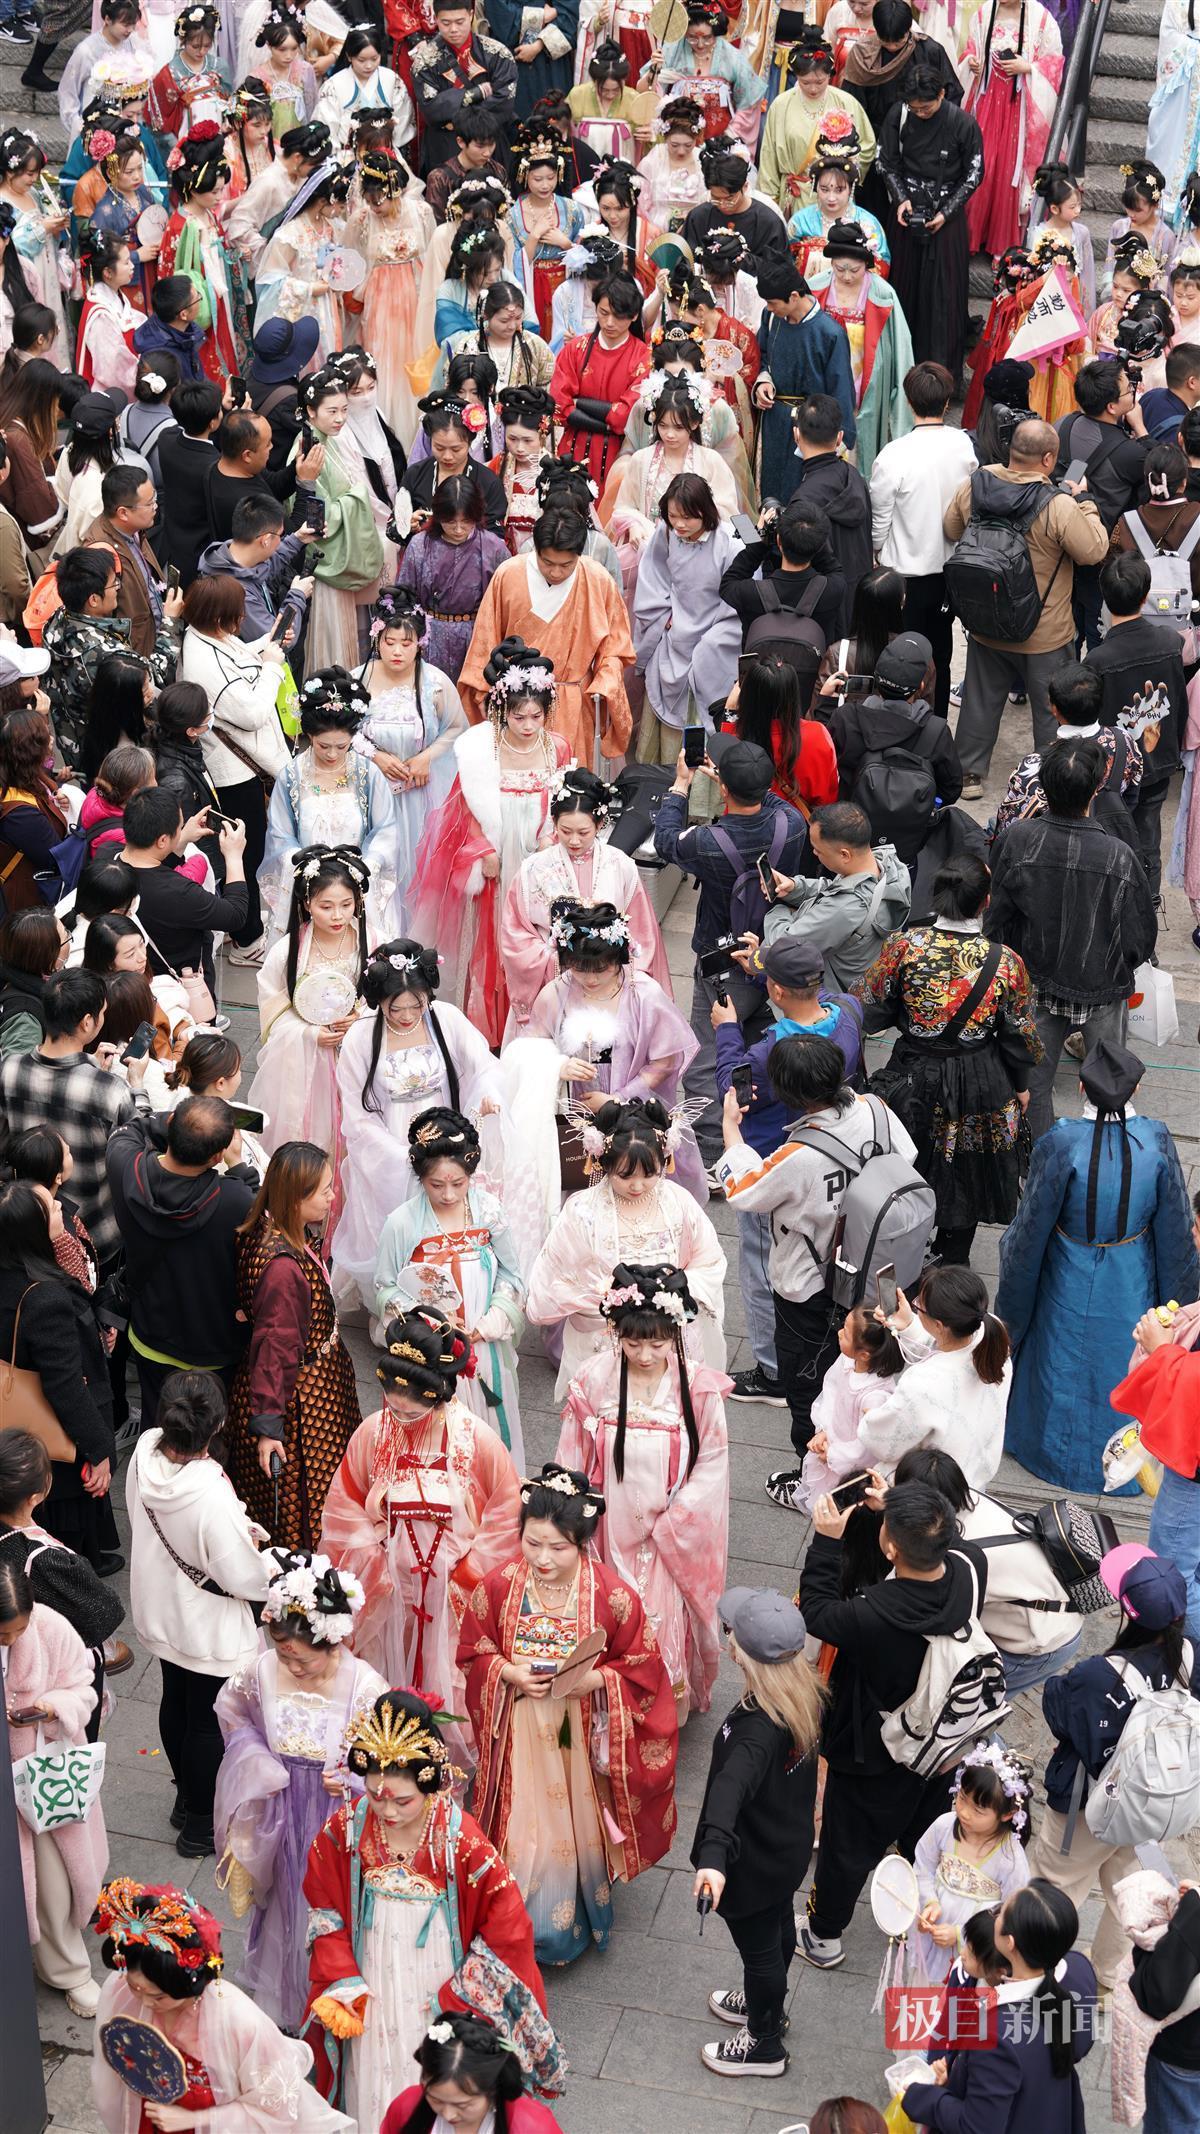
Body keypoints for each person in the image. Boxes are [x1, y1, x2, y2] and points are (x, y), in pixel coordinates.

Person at [457, 1461, 678, 1962]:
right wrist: (508, 1674)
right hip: (516, 1725)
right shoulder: (497, 1587)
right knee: (521, 1818)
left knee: (570, 1821)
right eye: (531, 1543)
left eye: (557, 1547)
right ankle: (508, 1914)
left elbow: (643, 1664)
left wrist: (595, 1680)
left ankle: (560, 1922)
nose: (542, 1557)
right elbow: (474, 1649)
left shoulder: (612, 1595)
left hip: (575, 1731)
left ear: (582, 1543)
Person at [303, 1683, 556, 2122]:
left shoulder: (461, 1840)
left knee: (441, 2072)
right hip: (372, 1973)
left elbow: (507, 1922)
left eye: (402, 1800)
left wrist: (460, 1995)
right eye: (376, 1796)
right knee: (373, 2070)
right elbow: (324, 1905)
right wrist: (341, 1975)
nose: (388, 1812)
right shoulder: (346, 1828)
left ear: (431, 1784)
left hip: (441, 1978)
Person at [796, 1478, 988, 1971]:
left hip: (873, 1750)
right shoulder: (965, 1573)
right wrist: (897, 1512)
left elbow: (818, 1612)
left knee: (847, 1847)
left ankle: (823, 1936)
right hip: (940, 1745)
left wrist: (826, 1539)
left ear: (891, 1547)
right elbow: (945, 1545)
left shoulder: (875, 1614)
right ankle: (922, 1912)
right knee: (922, 1833)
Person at [319, 1304, 519, 1762]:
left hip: (453, 1589)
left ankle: (443, 1773)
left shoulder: (476, 1440)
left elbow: (505, 1515)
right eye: (391, 1398)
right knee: (384, 1675)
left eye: (416, 1405)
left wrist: (468, 1574)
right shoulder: (373, 1433)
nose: (401, 1411)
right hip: (390, 1584)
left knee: (449, 1678)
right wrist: (374, 1562)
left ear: (442, 1393)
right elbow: (344, 1505)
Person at [997, 1040, 1198, 1491]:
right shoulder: (1156, 1139)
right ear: (1137, 1088)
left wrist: (1013, 1298)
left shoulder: (1062, 1140)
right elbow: (1174, 1228)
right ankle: (1128, 1450)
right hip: (1130, 1266)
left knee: (1059, 1350)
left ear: (1083, 1088)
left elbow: (1031, 1227)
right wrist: (1183, 1298)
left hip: (1068, 1262)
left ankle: (1048, 1447)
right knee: (1122, 1352)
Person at [717, 1034, 919, 1460]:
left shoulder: (800, 1154)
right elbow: (909, 1156)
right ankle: (866, 1453)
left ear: (786, 1093)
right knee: (873, 1368)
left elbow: (744, 1191)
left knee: (808, 1381)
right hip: (878, 1268)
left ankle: (813, 1467)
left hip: (809, 1285)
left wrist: (731, 1130)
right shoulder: (877, 1111)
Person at [212, 1550, 386, 2034]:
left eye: (302, 1658)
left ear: (332, 1644)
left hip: (334, 1814)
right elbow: (232, 1712)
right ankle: (290, 2002)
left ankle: (332, 1996)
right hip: (281, 1806)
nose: (291, 1665)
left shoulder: (365, 1687)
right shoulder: (262, 1670)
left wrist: (353, 1777)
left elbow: (387, 1757)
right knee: (284, 1905)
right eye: (283, 1653)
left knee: (328, 1907)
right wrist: (259, 1762)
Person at [556, 1262, 728, 1718]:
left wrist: (677, 1523)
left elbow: (712, 1462)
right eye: (633, 1343)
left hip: (669, 1531)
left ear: (676, 1334)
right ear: (615, 1331)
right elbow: (573, 1457)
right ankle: (611, 1710)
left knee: (660, 1620)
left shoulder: (697, 1389)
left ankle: (656, 1716)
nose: (646, 1354)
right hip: (608, 1526)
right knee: (611, 1616)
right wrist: (575, 1522)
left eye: (657, 1342)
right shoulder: (594, 1379)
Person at [1023, 1548, 1197, 1990]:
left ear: (1129, 1614)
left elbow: (1059, 1708)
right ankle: (1106, 1979)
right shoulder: (1189, 1656)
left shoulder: (1103, 1675)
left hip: (1088, 1807)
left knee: (1055, 1885)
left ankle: (1031, 1966)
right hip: (1148, 1805)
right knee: (1128, 1894)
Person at [856, 853, 1040, 1266]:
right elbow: (1020, 1036)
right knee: (967, 1168)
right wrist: (1022, 1085)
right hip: (980, 1078)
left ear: (937, 897)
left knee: (907, 1155)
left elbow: (870, 1008)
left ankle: (904, 1248)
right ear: (985, 902)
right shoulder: (1006, 963)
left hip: (912, 1071)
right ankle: (953, 1256)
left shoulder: (903, 946)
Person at [126, 1369, 272, 1855]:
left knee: (176, 1701)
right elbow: (243, 1577)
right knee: (207, 1721)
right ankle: (198, 1826)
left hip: (159, 1605)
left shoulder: (145, 1451)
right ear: (218, 1424)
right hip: (205, 1623)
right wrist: (265, 1562)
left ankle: (184, 1801)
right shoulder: (210, 1493)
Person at [986, 743, 1158, 1141]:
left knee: (1033, 1086)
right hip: (1103, 988)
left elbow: (998, 922)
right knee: (1110, 1086)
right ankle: (1105, 1160)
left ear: (1044, 788)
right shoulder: (1120, 855)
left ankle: (1041, 1162)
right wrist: (1115, 966)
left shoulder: (1018, 840)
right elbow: (1140, 937)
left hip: (1037, 985)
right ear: (1097, 789)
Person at [652, 739, 809, 1167]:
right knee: (763, 1047)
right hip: (771, 957)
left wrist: (682, 784)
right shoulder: (791, 824)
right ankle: (761, 1136)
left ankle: (711, 1152)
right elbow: (770, 799)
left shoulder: (705, 842)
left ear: (724, 791)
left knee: (709, 1054)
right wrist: (739, 780)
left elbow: (664, 840)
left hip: (722, 963)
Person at [91, 1877, 353, 2133]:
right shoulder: (121, 1989)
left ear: (190, 1984)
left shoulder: (238, 2020)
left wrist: (195, 2121)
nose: (145, 2002)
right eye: (136, 1988)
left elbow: (276, 2109)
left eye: (158, 1996)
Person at [689, 1585, 822, 2077]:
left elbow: (728, 1789)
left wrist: (712, 1857)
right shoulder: (802, 1691)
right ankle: (765, 2003)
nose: (727, 1637)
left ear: (741, 1652)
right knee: (778, 1931)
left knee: (761, 1950)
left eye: (731, 1632)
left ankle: (764, 2041)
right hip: (784, 1850)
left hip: (752, 1865)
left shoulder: (756, 1728)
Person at [944, 418, 1110, 794]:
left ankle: (969, 774)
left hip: (986, 619)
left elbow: (952, 528)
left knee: (979, 701)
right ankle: (1052, 778)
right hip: (1044, 632)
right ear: (1049, 459)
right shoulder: (1059, 505)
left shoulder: (977, 484)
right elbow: (1093, 551)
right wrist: (1086, 504)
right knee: (1051, 710)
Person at [333, 939, 501, 1309]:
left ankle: (450, 1298)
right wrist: (401, 1155)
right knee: (395, 1227)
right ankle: (395, 1304)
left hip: (444, 1136)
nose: (408, 1015)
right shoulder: (362, 1037)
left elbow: (483, 1064)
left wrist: (488, 1094)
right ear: (379, 1001)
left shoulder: (447, 1019)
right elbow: (356, 1115)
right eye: (397, 1008)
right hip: (390, 1144)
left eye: (416, 1004)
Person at [526, 1095, 727, 1396]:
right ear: (603, 1163)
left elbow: (709, 1261)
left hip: (667, 1337)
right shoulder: (583, 1210)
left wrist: (679, 1286)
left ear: (664, 1162)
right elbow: (552, 1280)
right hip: (607, 1338)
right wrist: (605, 1296)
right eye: (625, 1175)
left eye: (649, 1174)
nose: (637, 1186)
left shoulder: (678, 1202)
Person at [225, 1141, 361, 1551]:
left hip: (298, 1381)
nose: (332, 1196)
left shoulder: (267, 1228)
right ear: (295, 1199)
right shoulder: (283, 1270)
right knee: (310, 1494)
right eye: (323, 1191)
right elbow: (277, 1347)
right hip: (302, 1399)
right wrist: (270, 1425)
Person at [372, 1105, 525, 1460]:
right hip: (431, 1348)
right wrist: (427, 1321)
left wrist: (490, 1324)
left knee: (492, 1429)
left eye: (458, 1183)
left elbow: (512, 1274)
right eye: (436, 1185)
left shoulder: (488, 1211)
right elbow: (385, 1287)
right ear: (420, 1179)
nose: (449, 1195)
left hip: (484, 1341)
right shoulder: (402, 1223)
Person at [107, 1093, 256, 1426]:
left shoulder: (124, 1165)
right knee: (207, 1428)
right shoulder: (233, 1199)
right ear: (217, 1155)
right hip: (211, 1345)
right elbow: (260, 1206)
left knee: (155, 1421)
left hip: (150, 1332)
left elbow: (136, 1127)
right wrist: (240, 1166)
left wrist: (180, 1122)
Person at [901, 1882, 1097, 2133]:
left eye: (1003, 1911)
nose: (997, 1912)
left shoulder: (997, 2034)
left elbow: (976, 2127)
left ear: (1010, 1943)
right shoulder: (1079, 1970)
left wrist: (923, 2097)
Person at [1, 1558, 107, 2018]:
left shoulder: (51, 1628)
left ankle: (66, 1969)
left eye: (14, 1632)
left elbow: (84, 1687)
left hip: (38, 1775)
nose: (9, 1640)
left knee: (52, 1881)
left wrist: (50, 1708)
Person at [893, 1445, 1085, 1695]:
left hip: (1042, 1643)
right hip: (1058, 1612)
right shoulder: (970, 1498)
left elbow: (934, 1610)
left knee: (970, 1705)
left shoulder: (958, 1550)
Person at [0, 968, 147, 1272]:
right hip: (94, 1234)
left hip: (29, 1225)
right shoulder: (110, 1090)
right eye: (102, 1013)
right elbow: (139, 1146)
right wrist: (137, 1085)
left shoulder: (8, 1068)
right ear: (87, 1022)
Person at [500, 764, 670, 1022]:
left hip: (609, 981)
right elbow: (515, 935)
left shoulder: (620, 865)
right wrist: (555, 957)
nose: (574, 841)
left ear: (601, 823)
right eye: (565, 831)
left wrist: (609, 965)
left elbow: (642, 935)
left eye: (584, 832)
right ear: (554, 822)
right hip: (554, 986)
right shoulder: (533, 869)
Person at [180, 574, 293, 960]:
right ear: (220, 616)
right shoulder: (203, 661)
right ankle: (247, 940)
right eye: (237, 613)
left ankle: (238, 927)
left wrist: (267, 648)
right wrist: (274, 668)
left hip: (237, 768)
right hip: (234, 774)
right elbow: (252, 711)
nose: (242, 620)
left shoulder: (203, 634)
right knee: (247, 853)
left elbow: (238, 654)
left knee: (246, 851)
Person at [828, 1265, 1010, 1490]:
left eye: (919, 1307)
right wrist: (910, 1323)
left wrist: (870, 1412)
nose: (915, 1307)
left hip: (927, 1492)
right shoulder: (990, 1335)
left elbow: (882, 1443)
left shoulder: (924, 1383)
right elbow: (947, 1349)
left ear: (940, 1325)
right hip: (970, 1478)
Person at [869, 361, 977, 721]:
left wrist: (876, 553)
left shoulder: (894, 455)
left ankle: (902, 724)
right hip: (950, 573)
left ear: (909, 403)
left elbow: (879, 519)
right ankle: (937, 723)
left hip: (905, 576)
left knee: (903, 657)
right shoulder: (962, 445)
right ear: (946, 403)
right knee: (940, 656)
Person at [248, 844, 370, 1160]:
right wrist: (309, 1033)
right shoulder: (287, 951)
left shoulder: (374, 941)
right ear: (307, 903)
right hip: (308, 1062)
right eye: (326, 906)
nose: (338, 915)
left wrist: (361, 1018)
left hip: (360, 1055)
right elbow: (272, 1010)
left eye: (346, 904)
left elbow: (391, 1002)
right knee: (311, 1133)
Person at [261, 667, 400, 939]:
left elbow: (386, 829)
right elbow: (280, 835)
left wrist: (367, 865)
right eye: (324, 746)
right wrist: (300, 863)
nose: (333, 754)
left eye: (343, 746)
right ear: (309, 736)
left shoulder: (367, 774)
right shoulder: (291, 776)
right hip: (308, 888)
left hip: (358, 887)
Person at [1087, 551, 1186, 902]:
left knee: (1111, 839)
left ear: (1104, 596)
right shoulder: (1170, 643)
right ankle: (1147, 911)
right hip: (1157, 763)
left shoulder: (1097, 660)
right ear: (1145, 596)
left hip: (1112, 774)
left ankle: (1113, 908)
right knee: (1148, 840)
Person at [876, 66, 984, 385]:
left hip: (945, 215)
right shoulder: (901, 114)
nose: (920, 113)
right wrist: (900, 199)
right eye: (915, 107)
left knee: (944, 298)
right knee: (902, 289)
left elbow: (974, 173)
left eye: (926, 106)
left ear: (941, 95)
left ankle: (941, 377)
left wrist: (947, 212)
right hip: (906, 210)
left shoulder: (962, 123)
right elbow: (885, 161)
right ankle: (898, 368)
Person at [44, 546, 179, 783]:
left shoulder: (57, 622)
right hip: (115, 762)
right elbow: (155, 676)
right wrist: (171, 621)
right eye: (113, 583)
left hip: (78, 744)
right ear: (93, 599)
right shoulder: (105, 654)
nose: (118, 585)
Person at [632, 475, 743, 761]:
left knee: (707, 661)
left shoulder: (731, 541)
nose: (679, 525)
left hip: (718, 628)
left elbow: (740, 600)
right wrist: (663, 613)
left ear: (705, 511)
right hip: (675, 626)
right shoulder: (665, 534)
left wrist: (711, 638)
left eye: (688, 518)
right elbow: (653, 578)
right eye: (672, 516)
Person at [828, 631, 962, 865]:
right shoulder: (935, 730)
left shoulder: (846, 718)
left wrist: (825, 703)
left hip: (849, 838)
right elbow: (951, 789)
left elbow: (825, 761)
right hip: (906, 846)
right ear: (921, 686)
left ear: (876, 680)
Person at [758, 800, 912, 990]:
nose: (814, 853)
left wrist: (780, 910)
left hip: (831, 993)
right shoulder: (888, 866)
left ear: (845, 855)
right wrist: (796, 886)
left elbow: (784, 946)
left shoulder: (845, 908)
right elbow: (837, 887)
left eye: (818, 849)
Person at [119, 784, 249, 1006]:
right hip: (179, 995)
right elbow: (235, 915)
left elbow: (150, 864)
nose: (181, 830)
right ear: (162, 840)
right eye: (179, 827)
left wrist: (181, 840)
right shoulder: (176, 892)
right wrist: (234, 857)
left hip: (133, 986)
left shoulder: (108, 862)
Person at [753, 265, 857, 503]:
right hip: (774, 421)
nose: (768, 308)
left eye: (772, 302)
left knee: (804, 497)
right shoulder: (771, 318)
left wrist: (840, 441)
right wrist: (763, 381)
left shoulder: (830, 333)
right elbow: (764, 356)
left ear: (793, 296)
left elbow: (841, 392)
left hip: (812, 426)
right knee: (769, 491)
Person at [397, 472, 510, 681]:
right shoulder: (420, 545)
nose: (458, 529)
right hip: (430, 635)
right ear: (438, 516)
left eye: (466, 521)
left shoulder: (494, 548)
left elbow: (507, 601)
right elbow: (404, 597)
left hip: (476, 635)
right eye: (450, 521)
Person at [381, 2012, 567, 2134]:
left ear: (493, 2089)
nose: (448, 2114)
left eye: (463, 2105)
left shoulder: (532, 2127)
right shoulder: (406, 2106)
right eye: (435, 2099)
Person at [551, 272, 652, 487]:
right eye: (603, 312)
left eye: (618, 316)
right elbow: (559, 404)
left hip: (618, 456)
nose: (609, 322)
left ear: (634, 316)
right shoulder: (575, 349)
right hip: (572, 451)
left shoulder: (644, 357)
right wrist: (606, 418)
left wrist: (578, 403)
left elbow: (625, 416)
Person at [796, 1305, 903, 1505]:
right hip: (832, 1444)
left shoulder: (875, 1395)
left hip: (851, 1466)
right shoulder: (848, 1360)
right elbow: (831, 1392)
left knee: (845, 1508)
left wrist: (833, 1455)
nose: (839, 1333)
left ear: (864, 1354)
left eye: (845, 1333)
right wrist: (824, 1430)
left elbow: (867, 1445)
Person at [85, 462, 186, 662]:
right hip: (139, 659)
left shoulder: (134, 529)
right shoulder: (101, 553)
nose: (156, 507)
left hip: (158, 639)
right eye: (149, 503)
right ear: (123, 512)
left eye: (155, 499)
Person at [718, 498, 848, 645]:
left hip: (761, 668)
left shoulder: (752, 593)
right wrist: (811, 537)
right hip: (816, 667)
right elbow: (831, 566)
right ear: (819, 546)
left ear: (779, 541)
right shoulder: (833, 589)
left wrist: (759, 542)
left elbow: (728, 584)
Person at [724, 653, 840, 817]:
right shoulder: (818, 735)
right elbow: (828, 797)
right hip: (799, 833)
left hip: (743, 831)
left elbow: (725, 781)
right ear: (793, 695)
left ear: (747, 697)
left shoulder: (734, 738)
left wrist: (730, 712)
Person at [411, 0, 519, 174]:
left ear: (471, 15)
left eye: (460, 22)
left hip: (488, 143)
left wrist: (459, 113)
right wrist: (476, 94)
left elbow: (504, 101)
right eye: (445, 23)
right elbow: (432, 109)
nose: (453, 29)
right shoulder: (423, 62)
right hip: (445, 144)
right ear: (436, 19)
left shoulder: (498, 53)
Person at [197, 488, 313, 641]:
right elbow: (276, 640)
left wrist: (298, 538)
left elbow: (265, 567)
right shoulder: (238, 594)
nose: (282, 539)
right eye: (281, 535)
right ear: (265, 540)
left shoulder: (227, 555)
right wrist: (298, 595)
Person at [0, 697, 69, 908]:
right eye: (44, 736)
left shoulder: (20, 773)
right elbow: (57, 859)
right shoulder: (20, 814)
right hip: (29, 902)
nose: (51, 739)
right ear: (30, 752)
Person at [424, 106, 509, 222]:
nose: (487, 153)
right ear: (461, 142)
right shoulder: (440, 178)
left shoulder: (498, 171)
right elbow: (435, 223)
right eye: (480, 146)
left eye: (491, 144)